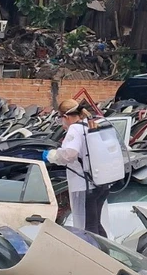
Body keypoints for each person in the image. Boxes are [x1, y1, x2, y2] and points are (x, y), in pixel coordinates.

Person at [42, 99, 111, 236]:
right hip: (100, 183)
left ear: (65, 117)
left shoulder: (75, 129)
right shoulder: (89, 126)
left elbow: (70, 154)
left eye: (61, 118)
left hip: (85, 185)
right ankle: (105, 253)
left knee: (88, 227)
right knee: (95, 223)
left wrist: (52, 155)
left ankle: (93, 255)